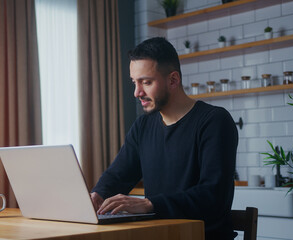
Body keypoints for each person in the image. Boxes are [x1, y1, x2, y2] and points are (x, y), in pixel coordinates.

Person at [90, 37, 238, 240]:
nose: (137, 92)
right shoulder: (142, 126)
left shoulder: (214, 121)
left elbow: (213, 196)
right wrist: (96, 196)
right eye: (134, 82)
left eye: (146, 82)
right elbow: (118, 176)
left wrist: (149, 204)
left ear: (173, 80)